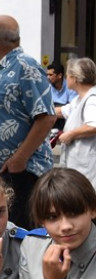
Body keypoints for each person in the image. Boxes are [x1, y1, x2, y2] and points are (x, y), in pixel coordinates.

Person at [0, 15, 56, 228]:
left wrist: (19, 159)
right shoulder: (4, 69)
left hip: (18, 176)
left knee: (19, 238)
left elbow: (46, 117)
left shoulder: (25, 67)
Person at [55, 57, 96, 190]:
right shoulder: (79, 99)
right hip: (78, 164)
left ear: (75, 78)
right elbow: (62, 111)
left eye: (67, 75)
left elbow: (93, 125)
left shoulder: (91, 99)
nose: (66, 78)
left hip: (86, 166)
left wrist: (70, 134)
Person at [47, 61, 76, 131]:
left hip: (65, 119)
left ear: (60, 75)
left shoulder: (70, 86)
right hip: (52, 120)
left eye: (50, 75)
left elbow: (73, 108)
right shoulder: (47, 87)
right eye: (47, 74)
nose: (48, 77)